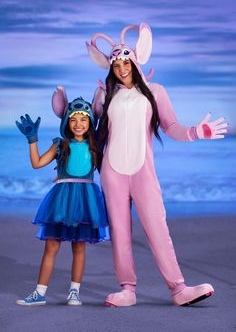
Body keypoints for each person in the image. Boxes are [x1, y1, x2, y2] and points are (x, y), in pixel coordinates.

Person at [86, 23, 228, 307]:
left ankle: (178, 288)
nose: (122, 68)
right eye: (117, 64)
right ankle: (127, 288)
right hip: (112, 174)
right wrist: (65, 110)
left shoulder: (156, 91)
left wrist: (195, 132)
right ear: (110, 67)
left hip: (143, 173)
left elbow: (171, 125)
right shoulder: (103, 94)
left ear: (135, 61)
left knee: (157, 227)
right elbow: (85, 125)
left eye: (126, 62)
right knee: (120, 232)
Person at [15, 87, 109, 306]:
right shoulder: (60, 144)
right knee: (51, 246)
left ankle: (74, 292)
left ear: (90, 122)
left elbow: (110, 174)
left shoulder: (95, 147)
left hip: (86, 200)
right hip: (61, 200)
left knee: (79, 247)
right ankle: (39, 293)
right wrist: (32, 139)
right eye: (73, 119)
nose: (78, 124)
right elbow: (37, 163)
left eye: (83, 120)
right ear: (67, 121)